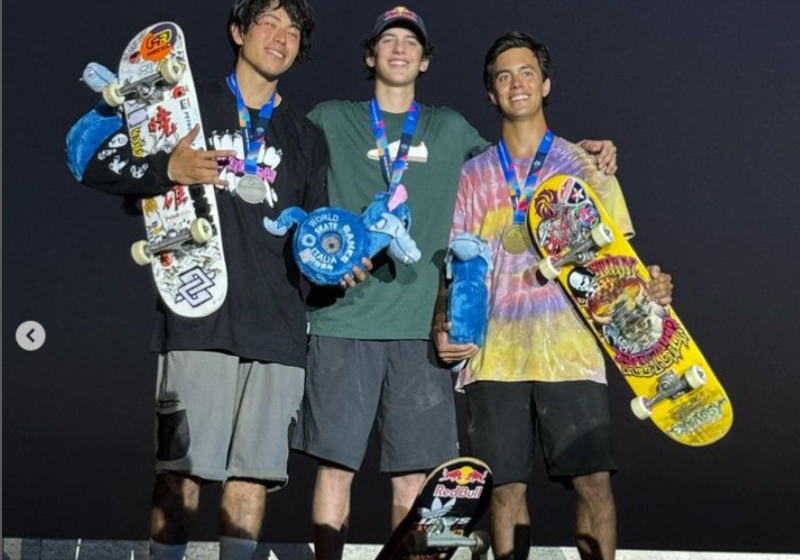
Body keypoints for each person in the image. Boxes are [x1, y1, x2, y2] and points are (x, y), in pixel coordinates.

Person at [291, 8, 619, 559]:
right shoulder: (330, 117)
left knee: (417, 480)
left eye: (411, 42)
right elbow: (283, 168)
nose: (400, 49)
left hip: (422, 331)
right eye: (388, 40)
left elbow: (520, 158)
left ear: (425, 60)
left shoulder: (450, 129)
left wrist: (585, 150)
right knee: (334, 469)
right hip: (342, 319)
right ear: (370, 54)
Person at [66, 1, 327, 558]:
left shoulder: (306, 135)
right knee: (179, 475)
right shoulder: (184, 103)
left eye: (293, 30)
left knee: (252, 482)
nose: (281, 37)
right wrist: (166, 169)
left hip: (278, 330)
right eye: (268, 22)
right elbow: (89, 162)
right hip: (198, 315)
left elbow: (313, 235)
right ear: (238, 31)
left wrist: (337, 263)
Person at [433, 32, 674, 560]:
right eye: (503, 76)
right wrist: (442, 325)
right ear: (492, 93)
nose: (516, 83)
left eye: (526, 73)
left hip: (571, 350)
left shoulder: (586, 165)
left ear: (545, 85)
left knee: (593, 483)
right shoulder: (472, 176)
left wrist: (652, 287)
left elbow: (619, 262)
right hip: (493, 357)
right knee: (504, 490)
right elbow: (455, 266)